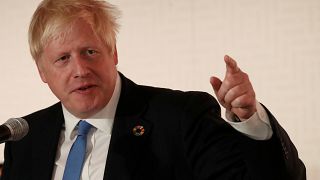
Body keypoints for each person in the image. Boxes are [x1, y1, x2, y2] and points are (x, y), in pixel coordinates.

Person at [1, 0, 306, 179]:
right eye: (63, 59)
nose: (80, 70)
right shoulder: (24, 138)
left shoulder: (182, 118)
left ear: (113, 53)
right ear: (42, 71)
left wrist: (250, 121)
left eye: (90, 52)